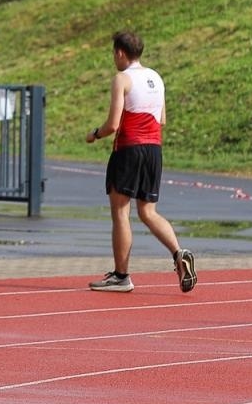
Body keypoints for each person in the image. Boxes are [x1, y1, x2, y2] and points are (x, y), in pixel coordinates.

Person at [83, 31, 197, 294]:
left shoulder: (122, 79)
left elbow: (112, 124)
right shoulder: (156, 77)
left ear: (120, 53)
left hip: (129, 149)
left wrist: (94, 134)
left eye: (114, 53)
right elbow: (162, 119)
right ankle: (178, 253)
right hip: (153, 150)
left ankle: (121, 276)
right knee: (148, 212)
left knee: (121, 212)